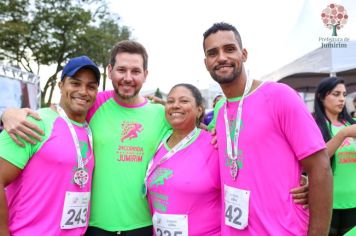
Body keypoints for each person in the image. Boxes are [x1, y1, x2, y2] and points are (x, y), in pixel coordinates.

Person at [1, 40, 309, 235]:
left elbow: (189, 134)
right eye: (121, 69)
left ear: (145, 75)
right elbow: (64, 109)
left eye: (135, 71)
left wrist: (216, 128)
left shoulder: (160, 115)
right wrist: (10, 113)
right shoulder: (95, 102)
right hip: (91, 227)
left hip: (145, 227)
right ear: (110, 71)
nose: (128, 77)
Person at [203, 22, 333, 235]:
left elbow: (320, 167)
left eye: (229, 49)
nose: (221, 58)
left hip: (283, 230)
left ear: (243, 54)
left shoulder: (278, 96)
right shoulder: (220, 111)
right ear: (206, 63)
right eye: (212, 53)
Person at [0, 55, 100, 235]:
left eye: (91, 86)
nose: (83, 91)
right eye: (75, 83)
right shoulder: (35, 122)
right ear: (61, 86)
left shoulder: (89, 130)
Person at [146, 83, 221, 236]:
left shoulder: (214, 145)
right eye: (171, 101)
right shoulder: (158, 143)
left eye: (184, 101)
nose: (175, 106)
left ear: (199, 109)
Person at [313, 77, 356, 236]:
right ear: (321, 96)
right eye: (336, 94)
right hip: (326, 203)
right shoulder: (313, 126)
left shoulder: (351, 124)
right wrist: (343, 134)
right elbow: (316, 161)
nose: (342, 99)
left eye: (344, 94)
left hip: (353, 201)